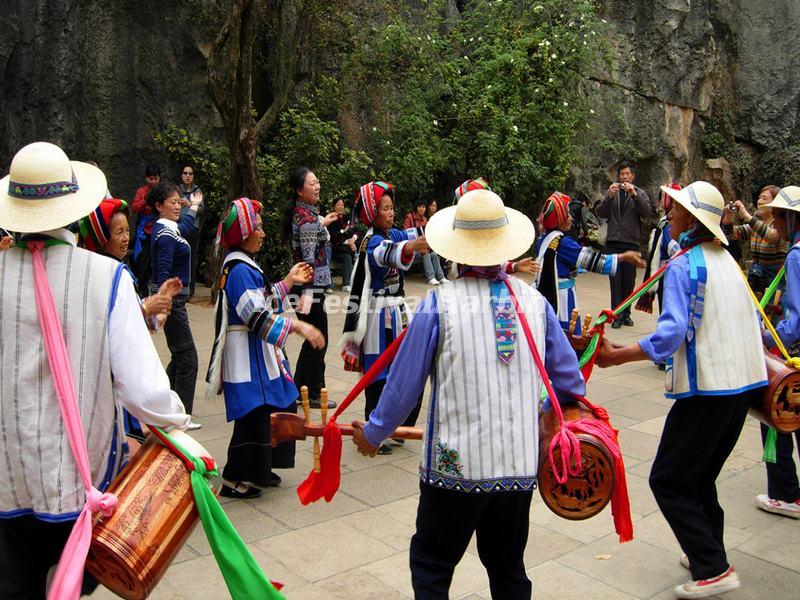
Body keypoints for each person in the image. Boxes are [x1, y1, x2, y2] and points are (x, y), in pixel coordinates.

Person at [352, 187, 585, 599]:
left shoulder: (438, 305)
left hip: (454, 471)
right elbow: (569, 383)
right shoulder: (535, 302)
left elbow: (403, 388)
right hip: (517, 468)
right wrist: (540, 414)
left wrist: (373, 433)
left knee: (432, 564)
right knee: (508, 569)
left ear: (456, 249)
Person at [0, 142, 189, 597]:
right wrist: (179, 426)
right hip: (76, 488)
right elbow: (144, 390)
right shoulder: (106, 278)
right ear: (75, 209)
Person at [597, 181, 767, 599]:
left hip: (706, 392)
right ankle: (707, 550)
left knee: (669, 480)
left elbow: (672, 332)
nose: (669, 214)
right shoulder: (727, 261)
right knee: (700, 477)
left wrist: (620, 355)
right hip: (741, 387)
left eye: (675, 210)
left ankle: (714, 568)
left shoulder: (684, 265)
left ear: (691, 220)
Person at [206, 198, 324, 498]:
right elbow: (256, 317)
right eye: (257, 227)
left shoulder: (241, 265)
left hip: (255, 353)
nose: (263, 233)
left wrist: (287, 281)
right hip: (247, 355)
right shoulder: (239, 269)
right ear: (244, 233)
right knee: (253, 412)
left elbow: (261, 301)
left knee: (279, 401)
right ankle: (235, 479)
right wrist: (299, 326)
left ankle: (261, 467)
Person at [341, 181, 430, 455]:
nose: (391, 213)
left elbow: (413, 235)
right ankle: (372, 430)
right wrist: (412, 245)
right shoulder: (372, 241)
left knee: (408, 367)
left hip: (398, 311)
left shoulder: (393, 231)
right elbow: (386, 254)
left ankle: (399, 426)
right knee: (378, 373)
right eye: (385, 208)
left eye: (392, 207)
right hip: (378, 314)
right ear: (372, 213)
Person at [752, 185, 800, 518]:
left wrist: (767, 336)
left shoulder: (796, 256)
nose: (777, 227)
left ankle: (785, 493)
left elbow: (796, 321)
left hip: (793, 354)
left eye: (779, 219)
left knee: (777, 415)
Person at [534, 191, 644, 332]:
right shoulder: (563, 244)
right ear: (559, 219)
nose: (571, 218)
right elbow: (593, 261)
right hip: (562, 298)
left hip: (546, 294)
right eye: (567, 214)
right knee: (568, 335)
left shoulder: (544, 239)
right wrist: (624, 257)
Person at [282, 167, 338, 409]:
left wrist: (322, 222)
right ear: (299, 190)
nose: (317, 186)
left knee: (312, 339)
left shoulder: (307, 214)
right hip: (308, 288)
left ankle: (299, 390)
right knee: (318, 339)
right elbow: (307, 259)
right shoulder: (305, 218)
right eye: (311, 183)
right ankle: (312, 392)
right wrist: (307, 292)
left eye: (317, 181)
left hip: (309, 287)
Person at [149, 181, 203, 429]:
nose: (176, 206)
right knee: (188, 357)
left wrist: (191, 206)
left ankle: (165, 407)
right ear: (159, 207)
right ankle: (181, 415)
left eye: (177, 201)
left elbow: (187, 227)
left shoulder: (169, 228)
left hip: (174, 300)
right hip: (173, 301)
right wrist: (163, 302)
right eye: (172, 202)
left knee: (180, 356)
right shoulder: (165, 234)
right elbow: (162, 271)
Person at [595, 161, 652, 328]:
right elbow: (601, 213)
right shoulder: (612, 192)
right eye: (622, 174)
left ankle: (626, 313)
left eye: (628, 174)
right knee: (615, 281)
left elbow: (647, 213)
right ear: (618, 176)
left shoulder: (640, 193)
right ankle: (616, 315)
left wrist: (634, 195)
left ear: (633, 176)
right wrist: (608, 197)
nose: (624, 177)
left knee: (629, 281)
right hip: (613, 242)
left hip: (631, 243)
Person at [723, 185, 785, 295]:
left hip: (775, 280)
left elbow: (771, 236)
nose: (760, 201)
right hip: (757, 278)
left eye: (764, 198)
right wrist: (728, 218)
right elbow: (733, 234)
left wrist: (746, 215)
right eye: (759, 198)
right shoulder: (756, 227)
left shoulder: (781, 226)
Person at [131, 163, 161, 296]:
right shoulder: (141, 192)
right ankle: (142, 296)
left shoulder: (163, 191)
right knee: (143, 267)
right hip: (144, 235)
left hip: (159, 233)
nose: (153, 181)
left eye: (156, 178)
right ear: (146, 178)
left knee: (157, 267)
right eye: (151, 179)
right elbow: (135, 207)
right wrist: (146, 201)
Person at [404, 199, 447, 285]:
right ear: (416, 208)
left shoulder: (425, 220)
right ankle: (431, 277)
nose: (422, 209)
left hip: (422, 248)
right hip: (412, 248)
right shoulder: (410, 217)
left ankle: (441, 277)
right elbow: (405, 233)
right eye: (420, 207)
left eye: (423, 207)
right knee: (426, 252)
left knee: (433, 254)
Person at [178, 163, 205, 297]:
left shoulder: (197, 191)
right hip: (180, 227)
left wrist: (190, 204)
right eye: (185, 173)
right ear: (182, 175)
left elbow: (202, 210)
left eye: (190, 173)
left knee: (192, 259)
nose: (187, 176)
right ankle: (179, 289)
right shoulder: (177, 189)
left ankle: (190, 291)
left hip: (193, 229)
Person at [327, 198, 358, 292]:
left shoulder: (346, 218)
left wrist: (353, 239)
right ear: (333, 207)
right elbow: (335, 236)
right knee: (348, 255)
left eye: (342, 205)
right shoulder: (330, 219)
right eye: (338, 205)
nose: (340, 207)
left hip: (346, 249)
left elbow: (354, 230)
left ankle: (346, 284)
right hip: (335, 249)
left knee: (348, 257)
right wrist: (347, 240)